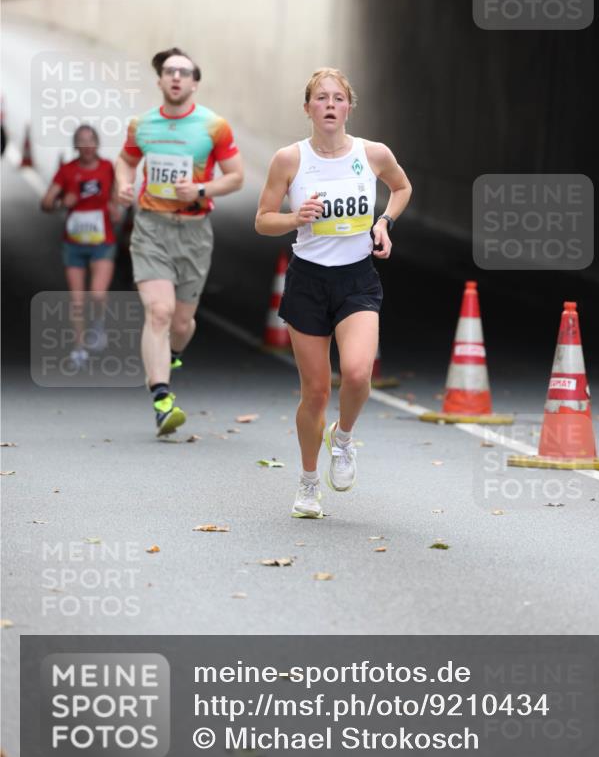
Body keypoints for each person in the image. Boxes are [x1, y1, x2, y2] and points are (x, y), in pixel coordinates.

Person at [255, 67, 412, 518]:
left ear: (348, 107)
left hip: (357, 277)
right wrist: (294, 218)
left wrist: (384, 223)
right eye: (320, 98)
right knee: (317, 392)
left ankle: (342, 440)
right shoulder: (290, 159)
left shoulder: (373, 153)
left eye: (337, 98)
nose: (329, 105)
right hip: (308, 279)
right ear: (307, 108)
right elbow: (262, 219)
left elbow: (401, 187)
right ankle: (307, 485)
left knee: (359, 374)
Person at [114, 47, 244, 437]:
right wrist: (123, 183)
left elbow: (235, 176)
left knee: (183, 323)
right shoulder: (143, 124)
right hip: (151, 227)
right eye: (169, 72)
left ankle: (172, 355)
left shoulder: (213, 126)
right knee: (159, 311)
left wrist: (201, 190)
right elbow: (125, 159)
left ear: (194, 83)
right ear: (160, 81)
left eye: (183, 73)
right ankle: (161, 399)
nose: (175, 78)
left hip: (194, 232)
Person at [41, 124, 118, 367]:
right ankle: (79, 348)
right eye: (81, 141)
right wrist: (63, 202)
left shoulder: (107, 168)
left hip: (102, 241)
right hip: (73, 244)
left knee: (97, 294)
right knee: (77, 300)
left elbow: (117, 195)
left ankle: (98, 324)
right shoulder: (67, 171)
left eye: (91, 140)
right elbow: (45, 203)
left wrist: (115, 206)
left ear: (97, 143)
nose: (87, 146)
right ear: (76, 145)